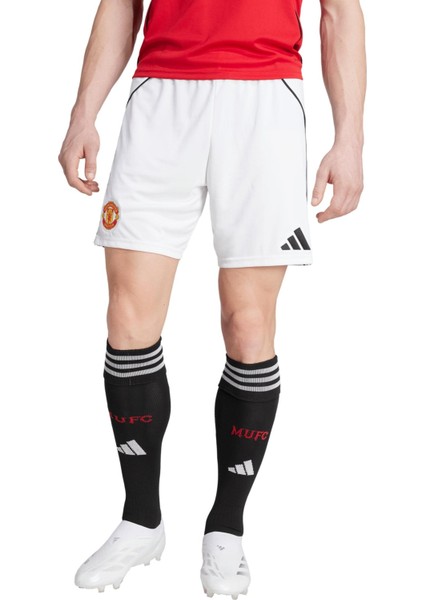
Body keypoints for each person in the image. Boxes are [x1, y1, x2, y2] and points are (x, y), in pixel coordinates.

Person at [58, 0, 366, 596]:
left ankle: (226, 527)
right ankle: (141, 520)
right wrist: (83, 114)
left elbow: (340, 12)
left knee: (249, 325)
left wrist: (349, 138)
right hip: (162, 96)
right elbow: (121, 4)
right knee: (128, 319)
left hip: (265, 99)